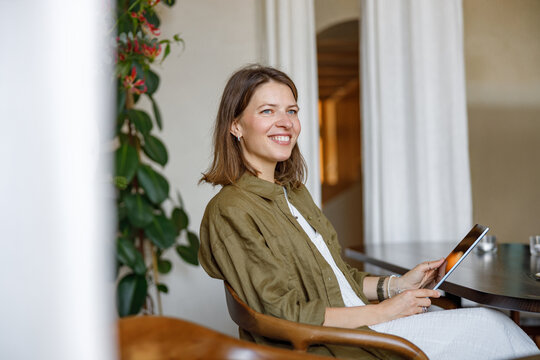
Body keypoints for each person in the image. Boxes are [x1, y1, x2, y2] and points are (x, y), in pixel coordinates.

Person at [198, 64, 539, 360]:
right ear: (236, 126)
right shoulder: (231, 209)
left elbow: (335, 279)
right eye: (268, 111)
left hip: (367, 324)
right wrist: (384, 311)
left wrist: (397, 286)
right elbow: (281, 312)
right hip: (339, 344)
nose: (285, 122)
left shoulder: (294, 194)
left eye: (291, 110)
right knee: (487, 327)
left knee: (490, 327)